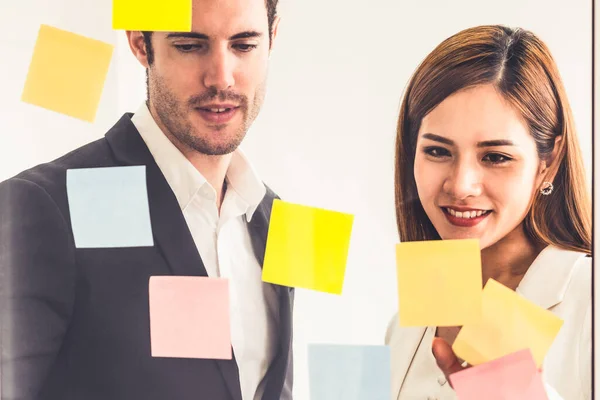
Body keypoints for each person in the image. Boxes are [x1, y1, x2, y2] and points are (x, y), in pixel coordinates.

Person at [0, 0, 294, 399]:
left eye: (244, 45)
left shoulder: (277, 221)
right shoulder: (43, 207)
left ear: (273, 36)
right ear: (140, 43)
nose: (222, 77)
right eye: (191, 45)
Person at [384, 25, 591, 400]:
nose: (461, 185)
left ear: (549, 161)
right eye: (437, 151)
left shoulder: (588, 299)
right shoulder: (407, 321)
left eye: (495, 157)